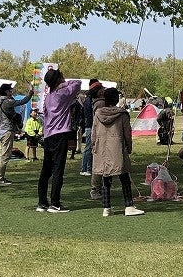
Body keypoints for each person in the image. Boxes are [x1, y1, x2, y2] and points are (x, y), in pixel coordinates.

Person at [93, 88, 144, 217]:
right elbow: (127, 134)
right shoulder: (122, 115)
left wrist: (95, 148)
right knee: (124, 178)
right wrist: (129, 147)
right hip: (117, 149)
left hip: (101, 150)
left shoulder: (97, 114)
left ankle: (106, 207)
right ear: (116, 99)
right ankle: (129, 205)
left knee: (106, 178)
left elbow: (93, 134)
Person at [36, 69, 82, 213]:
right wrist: (64, 84)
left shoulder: (48, 97)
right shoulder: (63, 94)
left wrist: (58, 84)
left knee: (46, 170)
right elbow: (77, 83)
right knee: (58, 169)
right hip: (60, 134)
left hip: (48, 135)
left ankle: (42, 202)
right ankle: (55, 203)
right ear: (58, 80)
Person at [0, 83, 30, 187]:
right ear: (6, 91)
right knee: (5, 155)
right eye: (10, 90)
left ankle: (0, 177)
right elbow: (22, 101)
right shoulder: (7, 102)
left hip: (4, 130)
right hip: (7, 130)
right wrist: (30, 93)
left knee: (4, 154)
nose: (12, 92)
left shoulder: (1, 100)